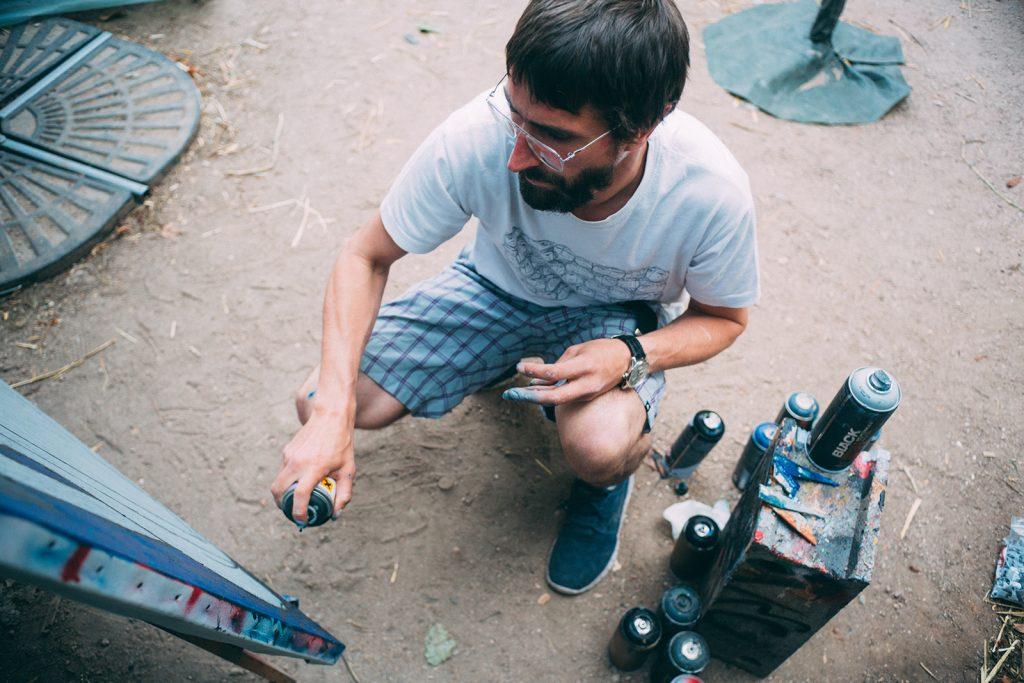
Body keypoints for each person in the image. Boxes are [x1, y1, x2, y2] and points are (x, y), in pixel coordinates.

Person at [271, 0, 759, 595]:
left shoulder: (710, 193)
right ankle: (498, 358)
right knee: (324, 397)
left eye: (553, 137)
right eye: (515, 114)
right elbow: (364, 256)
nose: (515, 155)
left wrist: (631, 354)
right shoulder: (477, 134)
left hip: (614, 321)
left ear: (641, 129)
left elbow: (724, 319)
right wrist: (331, 415)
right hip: (494, 286)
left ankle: (605, 484)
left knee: (599, 446)